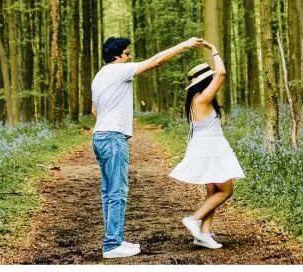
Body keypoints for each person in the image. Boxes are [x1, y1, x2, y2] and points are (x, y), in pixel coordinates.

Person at [91, 36, 202, 259]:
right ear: (117, 56)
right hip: (112, 138)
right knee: (117, 191)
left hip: (100, 136)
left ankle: (115, 239)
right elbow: (156, 61)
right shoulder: (118, 71)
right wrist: (184, 45)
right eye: (127, 53)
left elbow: (94, 110)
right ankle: (112, 245)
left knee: (108, 192)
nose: (130, 57)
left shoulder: (99, 77)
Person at [170, 40, 245, 249]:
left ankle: (203, 234)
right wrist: (214, 50)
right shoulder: (202, 97)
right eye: (210, 78)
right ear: (206, 81)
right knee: (226, 189)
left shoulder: (196, 98)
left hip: (205, 146)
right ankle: (194, 220)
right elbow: (222, 73)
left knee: (213, 190)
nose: (214, 80)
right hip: (210, 148)